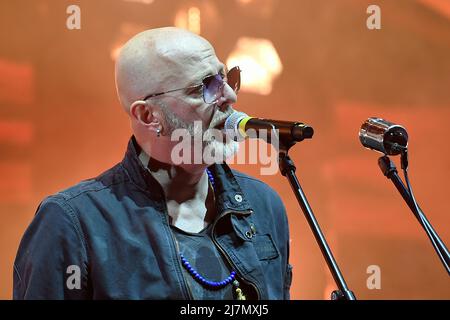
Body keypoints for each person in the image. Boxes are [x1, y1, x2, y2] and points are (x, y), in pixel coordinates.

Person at [13, 27, 292, 300]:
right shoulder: (72, 222)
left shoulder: (263, 204)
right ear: (148, 116)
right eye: (206, 87)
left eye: (226, 78)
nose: (230, 96)